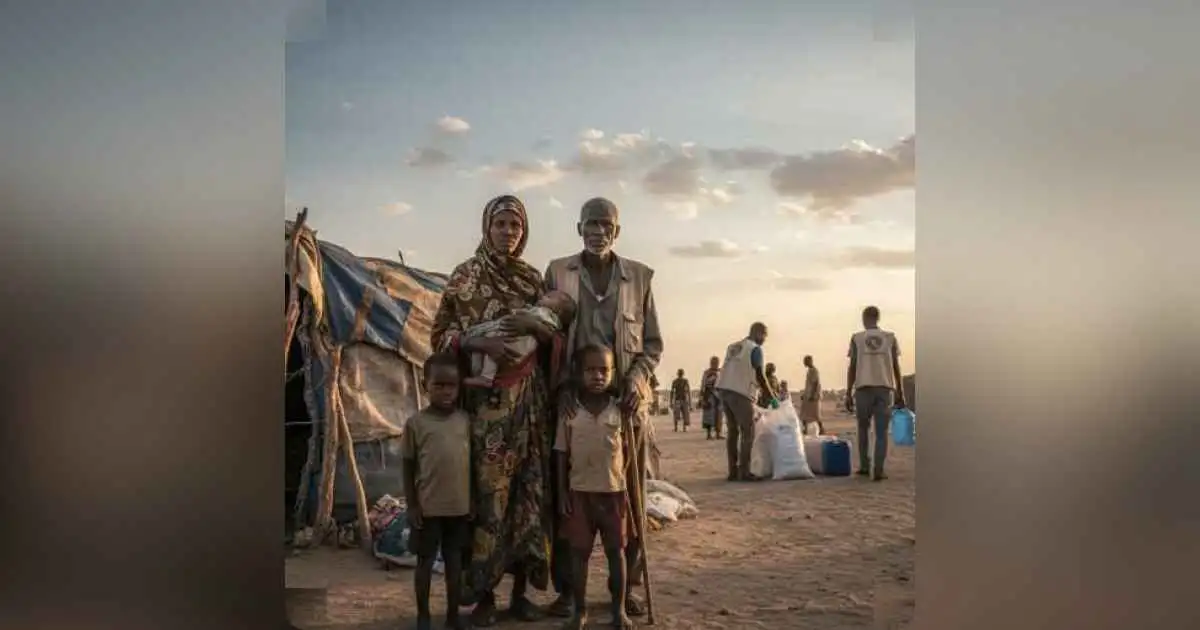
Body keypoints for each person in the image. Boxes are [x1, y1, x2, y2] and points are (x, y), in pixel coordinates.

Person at [430, 195, 557, 627]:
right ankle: (482, 596)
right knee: (487, 501)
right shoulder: (464, 277)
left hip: (529, 406)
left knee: (528, 495)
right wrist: (477, 343)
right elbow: (440, 335)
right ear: (487, 226)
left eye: (515, 226)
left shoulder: (531, 279)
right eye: (501, 223)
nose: (508, 232)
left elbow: (550, 330)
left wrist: (535, 333)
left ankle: (521, 594)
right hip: (485, 412)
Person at [543, 196, 662, 619]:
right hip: (575, 402)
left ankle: (627, 587)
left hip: (626, 405)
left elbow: (652, 345)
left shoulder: (640, 277)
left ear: (618, 231)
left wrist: (636, 378)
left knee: (629, 495)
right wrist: (561, 388)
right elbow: (549, 339)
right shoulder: (558, 272)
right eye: (590, 224)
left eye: (606, 225)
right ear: (578, 229)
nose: (598, 231)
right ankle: (568, 592)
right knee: (568, 496)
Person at [554, 345, 636, 630]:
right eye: (590, 370)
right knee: (579, 554)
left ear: (613, 374)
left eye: (604, 370)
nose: (597, 376)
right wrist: (563, 492)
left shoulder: (620, 411)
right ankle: (580, 610)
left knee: (617, 552)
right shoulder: (569, 411)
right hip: (579, 492)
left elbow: (629, 451)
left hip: (613, 492)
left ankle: (618, 610)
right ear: (579, 373)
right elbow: (561, 454)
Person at [401, 352, 474, 630]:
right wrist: (412, 505)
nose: (445, 391)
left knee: (455, 563)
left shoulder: (465, 421)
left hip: (458, 507)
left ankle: (453, 616)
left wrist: (473, 500)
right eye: (439, 385)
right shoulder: (416, 424)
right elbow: (408, 467)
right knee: (425, 562)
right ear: (425, 385)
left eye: (451, 386)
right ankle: (423, 615)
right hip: (428, 508)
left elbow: (472, 465)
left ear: (459, 387)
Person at [460, 290, 576, 387]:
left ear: (558, 310)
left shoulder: (545, 312)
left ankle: (485, 377)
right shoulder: (465, 275)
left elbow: (553, 338)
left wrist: (533, 325)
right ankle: (481, 374)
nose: (542, 296)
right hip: (503, 346)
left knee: (491, 344)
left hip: (519, 359)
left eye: (549, 297)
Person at [844, 306, 906, 481]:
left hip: (863, 388)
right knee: (881, 431)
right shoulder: (890, 337)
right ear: (878, 318)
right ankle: (878, 469)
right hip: (884, 388)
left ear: (864, 318)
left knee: (863, 429)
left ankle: (864, 466)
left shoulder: (857, 338)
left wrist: (849, 391)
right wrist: (900, 390)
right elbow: (895, 366)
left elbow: (853, 366)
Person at [716, 322, 779, 482]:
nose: (765, 340)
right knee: (747, 431)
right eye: (765, 336)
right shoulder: (755, 349)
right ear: (758, 333)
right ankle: (744, 471)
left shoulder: (733, 346)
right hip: (741, 392)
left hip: (724, 390)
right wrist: (772, 396)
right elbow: (760, 375)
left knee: (732, 431)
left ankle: (733, 471)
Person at [799, 355, 825, 435]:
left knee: (816, 415)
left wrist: (812, 395)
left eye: (805, 361)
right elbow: (809, 385)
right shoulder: (810, 371)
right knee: (804, 413)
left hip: (813, 397)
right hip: (808, 396)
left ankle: (821, 429)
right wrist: (805, 394)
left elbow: (814, 384)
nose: (804, 363)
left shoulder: (814, 371)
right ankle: (805, 429)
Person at [699, 356, 723, 440]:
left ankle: (718, 434)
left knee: (719, 415)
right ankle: (709, 434)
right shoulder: (707, 372)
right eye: (713, 362)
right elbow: (703, 385)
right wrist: (701, 397)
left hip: (719, 396)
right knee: (709, 415)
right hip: (709, 396)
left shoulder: (721, 372)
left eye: (716, 362)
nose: (715, 364)